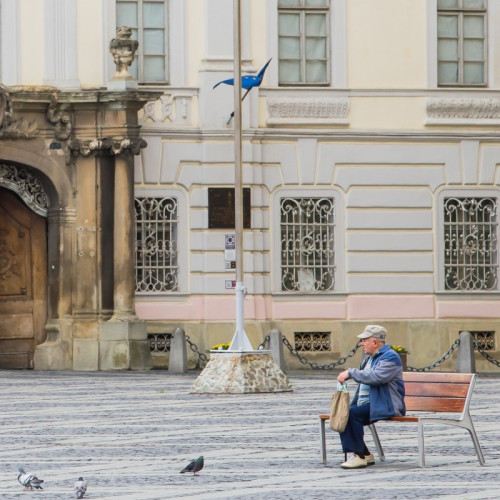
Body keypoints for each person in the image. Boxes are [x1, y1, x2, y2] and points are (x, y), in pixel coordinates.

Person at [336, 324, 405, 469]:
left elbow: (377, 377)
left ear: (375, 342)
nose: (362, 343)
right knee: (345, 413)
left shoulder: (391, 357)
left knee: (350, 414)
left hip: (386, 405)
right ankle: (364, 454)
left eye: (364, 340)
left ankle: (359, 456)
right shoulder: (369, 359)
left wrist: (351, 373)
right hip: (369, 404)